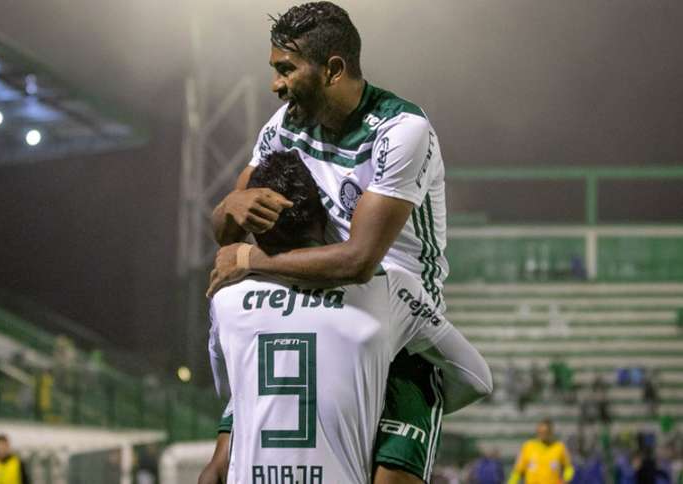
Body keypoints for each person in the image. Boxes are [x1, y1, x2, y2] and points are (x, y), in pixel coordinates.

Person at [208, 2, 454, 482]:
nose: (275, 84)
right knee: (225, 464)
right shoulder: (282, 127)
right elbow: (226, 236)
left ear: (333, 69)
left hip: (398, 327)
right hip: (311, 300)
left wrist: (250, 259)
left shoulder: (401, 131)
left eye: (286, 69)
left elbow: (361, 260)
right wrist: (227, 209)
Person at [201, 151, 491, 484]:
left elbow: (231, 392)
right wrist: (386, 403)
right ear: (324, 219)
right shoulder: (389, 288)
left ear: (254, 230)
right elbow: (476, 379)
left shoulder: (226, 298)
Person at [508, 419, 574, 484]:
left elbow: (569, 468)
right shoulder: (528, 447)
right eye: (541, 432)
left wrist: (566, 479)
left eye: (546, 432)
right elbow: (517, 471)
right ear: (537, 432)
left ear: (551, 432)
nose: (543, 435)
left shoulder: (559, 447)